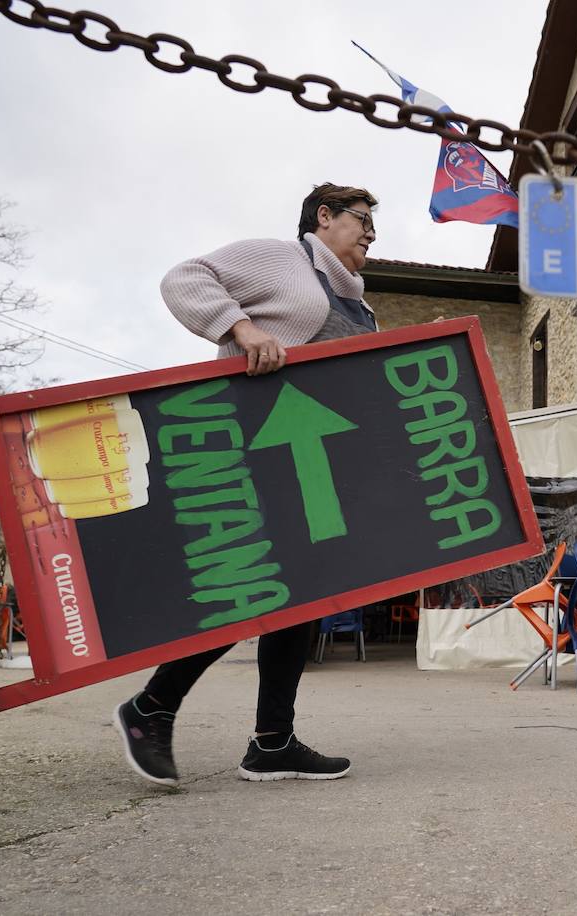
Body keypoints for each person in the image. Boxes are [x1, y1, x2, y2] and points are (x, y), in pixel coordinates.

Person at [114, 183, 380, 788]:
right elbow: (184, 278)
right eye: (362, 220)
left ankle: (272, 742)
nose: (369, 234)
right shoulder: (285, 259)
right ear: (324, 217)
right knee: (260, 588)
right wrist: (241, 328)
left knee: (305, 596)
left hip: (311, 467)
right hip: (253, 447)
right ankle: (151, 708)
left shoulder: (360, 305)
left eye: (373, 227)